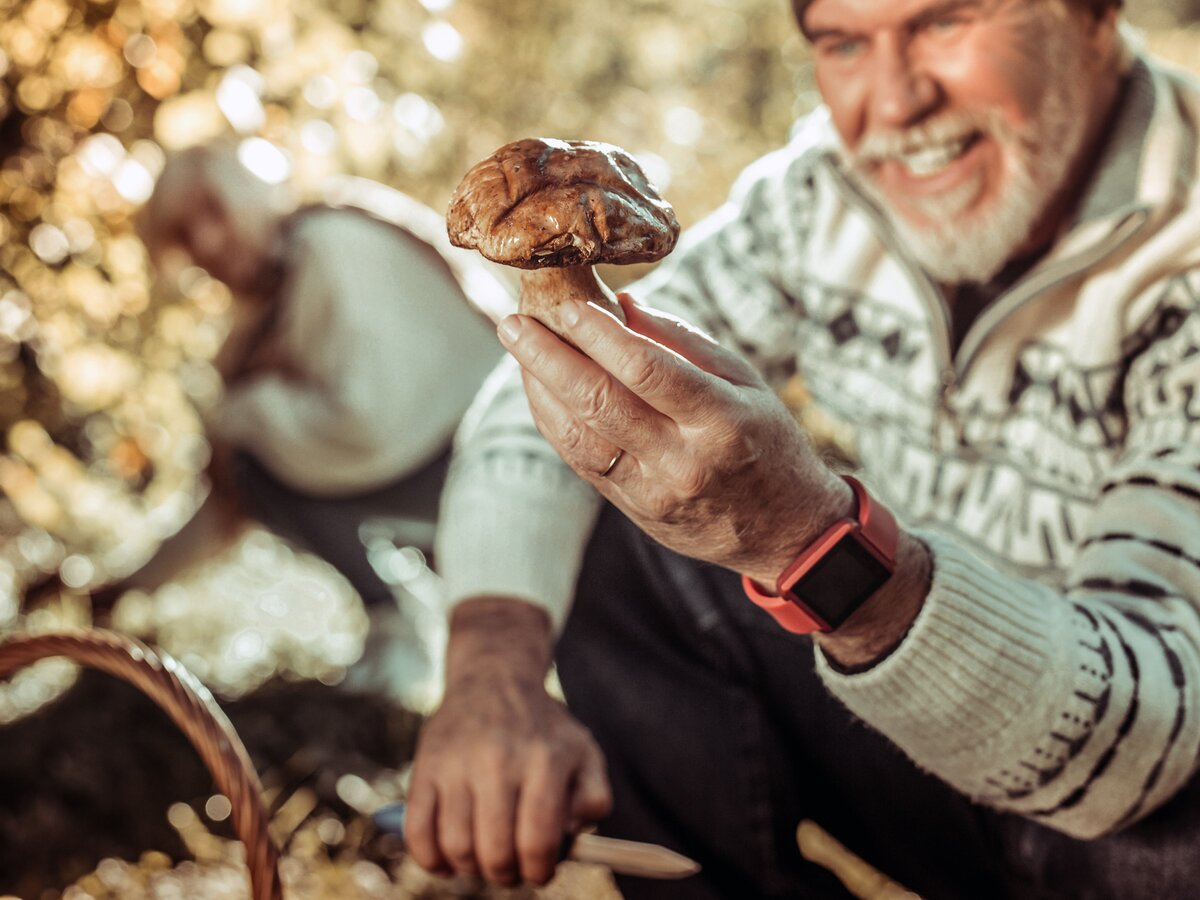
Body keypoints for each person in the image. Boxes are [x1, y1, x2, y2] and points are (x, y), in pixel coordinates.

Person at [407, 0, 1200, 896]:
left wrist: (814, 546)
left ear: (1097, 15)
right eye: (845, 41)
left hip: (1150, 808)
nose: (894, 104)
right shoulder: (819, 195)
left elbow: (1150, 744)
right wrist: (490, 667)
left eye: (948, 22)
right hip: (915, 734)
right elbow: (549, 408)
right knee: (618, 507)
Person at [126, 140, 508, 706]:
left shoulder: (328, 246)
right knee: (253, 465)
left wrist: (250, 408)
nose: (205, 243)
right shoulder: (264, 314)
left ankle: (404, 630)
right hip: (439, 469)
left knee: (255, 455)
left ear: (245, 193)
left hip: (488, 450)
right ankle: (426, 624)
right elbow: (233, 499)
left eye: (212, 211)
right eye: (185, 233)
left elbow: (366, 426)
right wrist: (131, 588)